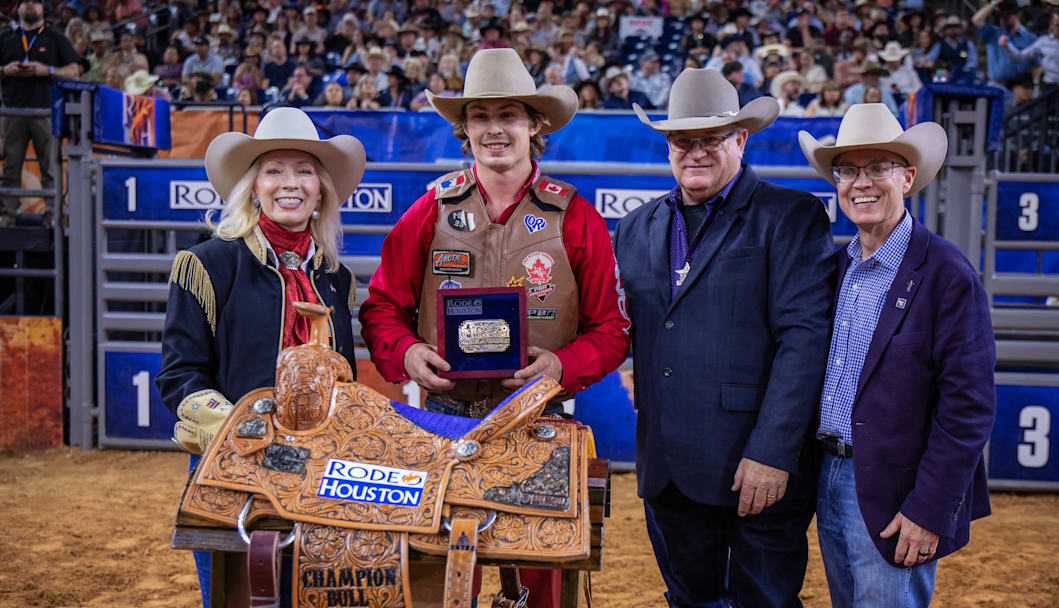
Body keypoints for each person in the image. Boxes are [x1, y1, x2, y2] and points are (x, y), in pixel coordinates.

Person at [359, 47, 629, 608]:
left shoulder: (577, 218)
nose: (494, 129)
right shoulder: (429, 211)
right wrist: (407, 354)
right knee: (439, 577)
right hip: (441, 420)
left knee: (540, 580)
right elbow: (382, 307)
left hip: (538, 421)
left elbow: (612, 329)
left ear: (535, 125)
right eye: (480, 116)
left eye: (508, 115)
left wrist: (559, 365)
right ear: (464, 129)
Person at [615, 68, 835, 608]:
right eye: (681, 141)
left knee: (767, 602)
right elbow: (630, 322)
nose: (695, 152)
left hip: (755, 466)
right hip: (667, 468)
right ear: (667, 147)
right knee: (689, 600)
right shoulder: (636, 226)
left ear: (740, 139)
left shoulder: (791, 216)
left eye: (710, 139)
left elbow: (805, 341)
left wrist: (773, 452)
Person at [156, 107, 366, 608]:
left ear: (320, 191)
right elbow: (179, 377)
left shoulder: (336, 280)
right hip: (232, 473)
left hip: (320, 477)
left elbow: (346, 381)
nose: (288, 183)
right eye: (274, 170)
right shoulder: (207, 264)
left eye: (304, 171)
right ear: (253, 186)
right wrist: (247, 436)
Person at [797, 102, 996, 608]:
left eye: (878, 168)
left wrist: (930, 509)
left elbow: (968, 407)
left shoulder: (947, 273)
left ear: (907, 177)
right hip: (832, 474)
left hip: (898, 490)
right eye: (847, 170)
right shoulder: (838, 267)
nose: (861, 183)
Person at [0, 0, 81, 226]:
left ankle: (53, 216)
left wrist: (49, 70)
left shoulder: (54, 38)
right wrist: (4, 71)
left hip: (46, 112)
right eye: (25, 1)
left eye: (35, 2)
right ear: (17, 8)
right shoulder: (6, 37)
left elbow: (75, 71)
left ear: (42, 8)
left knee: (50, 166)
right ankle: (7, 217)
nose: (30, 6)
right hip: (12, 111)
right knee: (10, 167)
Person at [999, 9, 1059, 91]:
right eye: (1058, 25)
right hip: (1050, 87)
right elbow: (1020, 57)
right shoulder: (1044, 41)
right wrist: (1008, 46)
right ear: (1051, 24)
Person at [972, 0, 1037, 90]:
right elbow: (976, 20)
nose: (1003, 19)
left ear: (1017, 15)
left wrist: (1034, 87)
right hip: (995, 85)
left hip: (1018, 87)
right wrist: (995, 2)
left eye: (1007, 16)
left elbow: (1036, 65)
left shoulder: (1030, 38)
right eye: (1001, 16)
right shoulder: (993, 33)